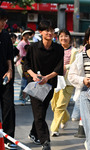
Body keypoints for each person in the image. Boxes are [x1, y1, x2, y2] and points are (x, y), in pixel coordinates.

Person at [23, 20, 64, 150]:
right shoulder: (33, 48)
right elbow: (26, 65)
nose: (50, 33)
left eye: (52, 30)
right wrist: (34, 75)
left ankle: (33, 132)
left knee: (41, 112)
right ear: (40, 32)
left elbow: (59, 68)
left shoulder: (58, 49)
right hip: (35, 85)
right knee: (39, 112)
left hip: (49, 85)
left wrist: (47, 78)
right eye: (46, 30)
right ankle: (45, 141)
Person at [50, 29, 78, 136]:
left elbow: (76, 65)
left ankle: (54, 129)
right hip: (56, 80)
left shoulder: (74, 51)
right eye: (61, 36)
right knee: (53, 104)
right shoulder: (55, 49)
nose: (63, 38)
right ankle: (65, 117)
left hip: (68, 82)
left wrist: (66, 67)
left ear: (69, 38)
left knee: (60, 105)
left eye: (66, 36)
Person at [0, 8, 16, 149]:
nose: (4, 23)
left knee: (8, 107)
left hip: (5, 77)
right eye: (2, 20)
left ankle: (9, 138)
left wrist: (10, 70)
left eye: (5, 20)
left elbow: (9, 56)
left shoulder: (5, 35)